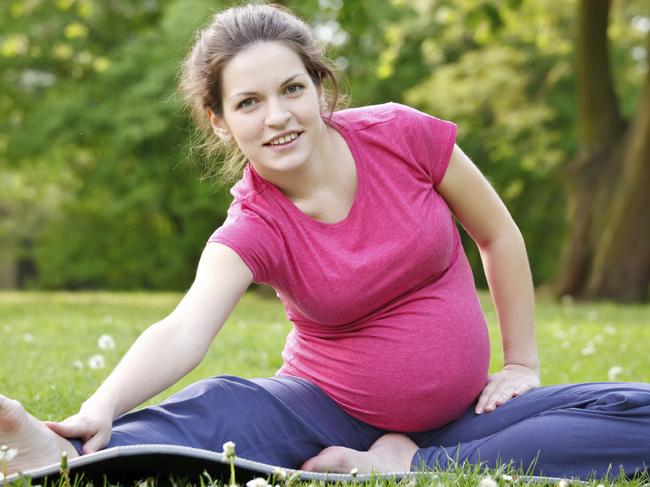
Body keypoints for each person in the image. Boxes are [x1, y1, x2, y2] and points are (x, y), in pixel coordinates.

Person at [1, 3, 649, 481]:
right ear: (220, 122)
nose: (278, 116)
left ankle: (415, 460)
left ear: (319, 86)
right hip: (319, 409)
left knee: (633, 411)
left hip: (466, 410)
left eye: (291, 89)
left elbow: (497, 233)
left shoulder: (405, 136)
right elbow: (184, 329)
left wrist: (521, 365)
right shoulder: (255, 222)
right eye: (249, 102)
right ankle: (68, 454)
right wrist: (101, 403)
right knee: (224, 404)